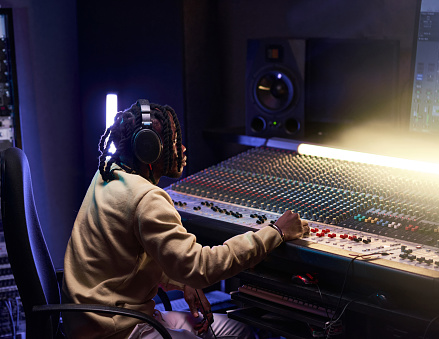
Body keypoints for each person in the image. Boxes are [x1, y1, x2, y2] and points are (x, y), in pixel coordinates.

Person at [62, 99, 309, 339]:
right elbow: (201, 267)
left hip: (99, 319)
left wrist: (181, 281)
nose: (182, 148)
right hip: (116, 330)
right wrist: (276, 232)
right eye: (174, 142)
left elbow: (125, 260)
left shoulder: (107, 173)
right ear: (149, 149)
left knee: (237, 330)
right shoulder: (146, 199)